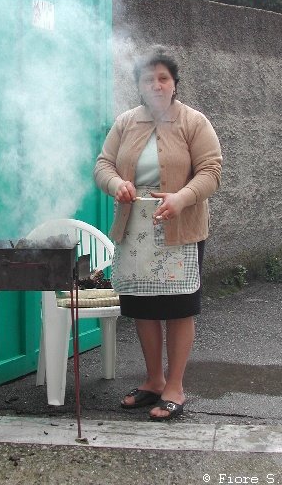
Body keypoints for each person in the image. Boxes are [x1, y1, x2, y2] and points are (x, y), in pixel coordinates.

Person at [94, 46, 222, 421]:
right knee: (143, 307)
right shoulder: (125, 123)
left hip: (179, 225)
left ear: (174, 84)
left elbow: (211, 170)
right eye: (148, 78)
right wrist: (116, 183)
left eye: (163, 77)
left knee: (179, 308)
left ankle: (175, 387)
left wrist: (182, 198)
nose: (156, 84)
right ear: (139, 85)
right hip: (135, 229)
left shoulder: (193, 122)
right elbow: (103, 164)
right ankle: (153, 381)